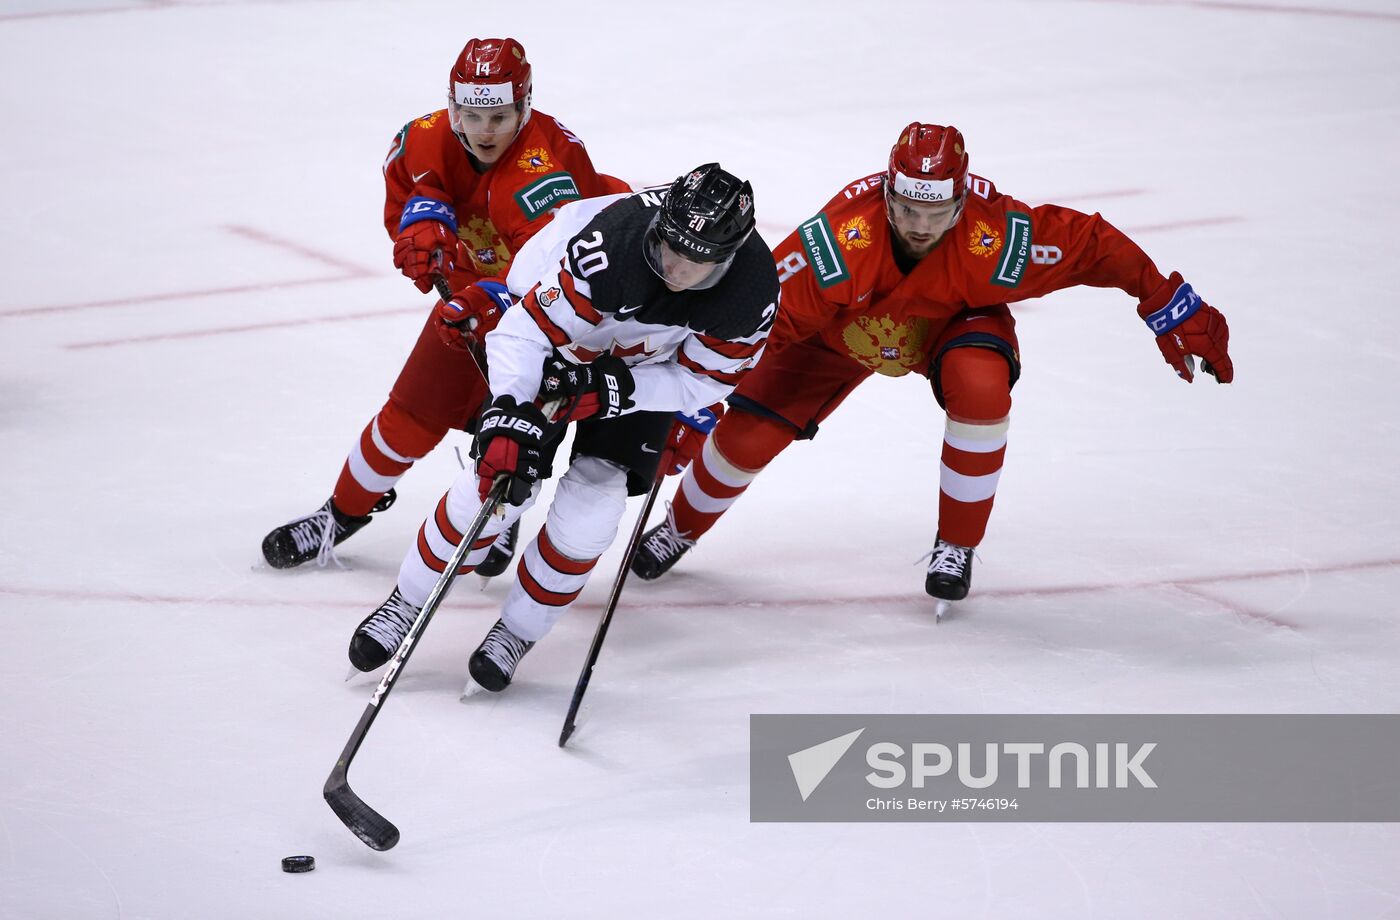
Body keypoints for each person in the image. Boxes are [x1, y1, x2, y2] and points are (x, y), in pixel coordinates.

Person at [629, 122, 1234, 607]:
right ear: (888, 193)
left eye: (935, 213)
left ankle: (956, 545)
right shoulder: (835, 247)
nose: (920, 227)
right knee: (746, 432)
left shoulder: (997, 238)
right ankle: (681, 526)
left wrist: (1164, 301)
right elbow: (760, 326)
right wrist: (695, 399)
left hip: (952, 324)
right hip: (836, 334)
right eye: (907, 210)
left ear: (962, 201)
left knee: (982, 387)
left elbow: (1092, 247)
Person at [345, 164, 779, 691]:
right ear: (660, 223)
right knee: (495, 484)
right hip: (555, 345)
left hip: (643, 376)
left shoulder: (752, 290)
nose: (676, 268)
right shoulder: (607, 246)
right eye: (669, 247)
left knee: (591, 513)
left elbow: (702, 381)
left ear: (729, 259)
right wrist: (508, 411)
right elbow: (524, 335)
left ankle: (517, 630)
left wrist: (619, 391)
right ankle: (406, 602)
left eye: (697, 262)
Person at [260, 37, 629, 572]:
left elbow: (561, 273)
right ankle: (340, 514)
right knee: (410, 414)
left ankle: (503, 513)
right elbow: (402, 214)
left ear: (525, 106)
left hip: (559, 314)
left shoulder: (547, 169)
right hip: (469, 297)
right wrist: (417, 237)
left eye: (500, 116)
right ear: (452, 104)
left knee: (512, 430)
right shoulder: (421, 140)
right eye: (473, 114)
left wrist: (494, 295)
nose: (485, 131)